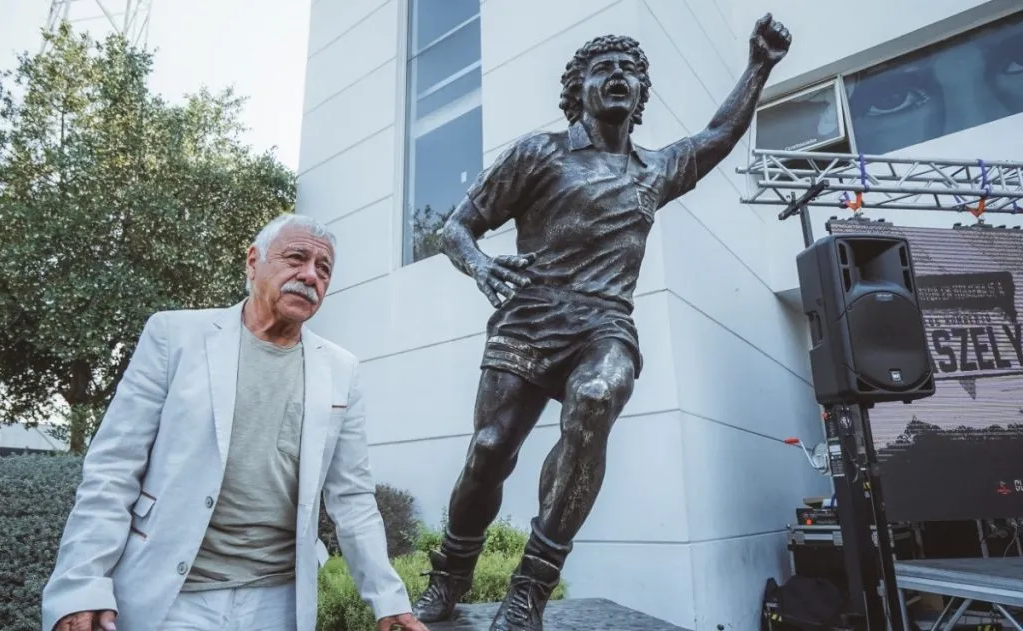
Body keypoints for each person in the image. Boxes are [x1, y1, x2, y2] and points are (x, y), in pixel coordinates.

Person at [412, 14, 792, 631]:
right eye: (603, 69)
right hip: (528, 321)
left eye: (631, 73)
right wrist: (480, 267)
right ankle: (448, 578)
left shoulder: (654, 170)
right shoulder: (539, 153)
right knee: (488, 452)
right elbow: (456, 228)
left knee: (594, 400)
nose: (618, 78)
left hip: (603, 328)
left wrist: (759, 66)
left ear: (641, 95)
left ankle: (531, 585)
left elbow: (720, 134)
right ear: (578, 89)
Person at [41, 214, 428, 631]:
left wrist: (388, 599)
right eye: (296, 258)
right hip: (172, 597)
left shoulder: (341, 369)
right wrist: (81, 585)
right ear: (252, 262)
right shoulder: (174, 336)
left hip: (278, 602)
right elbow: (114, 470)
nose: (310, 275)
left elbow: (352, 496)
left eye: (324, 269)